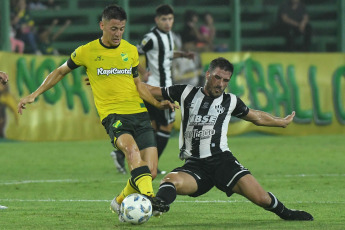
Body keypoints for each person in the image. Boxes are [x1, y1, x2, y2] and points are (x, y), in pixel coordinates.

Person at [17, 4, 172, 221]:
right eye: (114, 28)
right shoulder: (86, 51)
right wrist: (35, 93)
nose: (118, 34)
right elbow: (60, 71)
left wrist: (157, 104)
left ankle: (119, 202)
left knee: (150, 172)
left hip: (139, 113)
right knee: (131, 150)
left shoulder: (129, 51)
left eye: (122, 29)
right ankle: (149, 198)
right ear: (102, 25)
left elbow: (138, 85)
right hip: (114, 117)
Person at [145, 57, 313, 221]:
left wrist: (280, 122)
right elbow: (150, 90)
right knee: (169, 180)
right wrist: (127, 81)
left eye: (226, 80)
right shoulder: (185, 92)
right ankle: (160, 204)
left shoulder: (230, 101)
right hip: (195, 165)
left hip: (223, 162)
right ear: (207, 74)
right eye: (217, 77)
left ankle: (287, 213)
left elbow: (257, 117)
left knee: (261, 198)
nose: (220, 84)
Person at [110, 4, 194, 175]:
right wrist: (143, 71)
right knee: (167, 126)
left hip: (163, 86)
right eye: (164, 19)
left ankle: (122, 154)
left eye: (170, 19)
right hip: (157, 88)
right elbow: (133, 51)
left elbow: (166, 54)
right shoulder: (151, 37)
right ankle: (151, 164)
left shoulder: (168, 35)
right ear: (157, 20)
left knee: (152, 127)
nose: (168, 22)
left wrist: (183, 55)